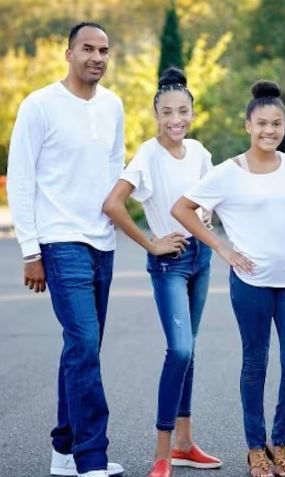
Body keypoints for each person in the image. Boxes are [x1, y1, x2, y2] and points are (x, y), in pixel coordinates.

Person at [172, 81, 285, 477]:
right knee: (255, 365)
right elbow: (183, 208)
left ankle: (280, 444)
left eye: (276, 124)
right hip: (250, 285)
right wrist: (221, 248)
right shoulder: (227, 173)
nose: (269, 131)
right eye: (261, 124)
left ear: (284, 127)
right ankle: (256, 449)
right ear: (247, 126)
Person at [7, 22, 126, 477]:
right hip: (60, 241)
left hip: (103, 242)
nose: (97, 57)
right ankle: (90, 457)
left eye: (104, 51)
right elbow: (20, 179)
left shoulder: (113, 105)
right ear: (69, 53)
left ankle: (63, 451)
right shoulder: (39, 106)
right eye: (88, 49)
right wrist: (30, 250)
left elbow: (116, 167)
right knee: (84, 342)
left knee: (80, 350)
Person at [103, 67, 222, 477]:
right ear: (156, 114)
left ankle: (187, 445)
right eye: (167, 112)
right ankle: (162, 450)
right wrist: (152, 243)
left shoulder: (201, 152)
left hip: (200, 259)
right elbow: (114, 204)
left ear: (192, 112)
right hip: (169, 262)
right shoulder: (148, 156)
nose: (176, 120)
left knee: (192, 349)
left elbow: (214, 201)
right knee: (181, 350)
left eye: (183, 111)